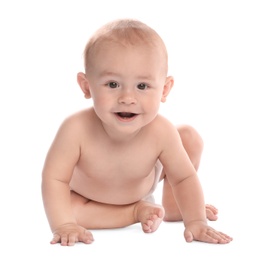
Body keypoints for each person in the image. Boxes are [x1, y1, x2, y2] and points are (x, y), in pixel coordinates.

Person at [41, 18, 233, 246]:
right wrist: (64, 225)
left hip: (143, 182)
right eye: (112, 84)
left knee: (188, 137)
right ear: (86, 86)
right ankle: (133, 212)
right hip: (88, 200)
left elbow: (183, 177)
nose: (127, 98)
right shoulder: (75, 129)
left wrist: (196, 220)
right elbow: (54, 179)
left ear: (164, 89)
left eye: (142, 86)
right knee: (67, 210)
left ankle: (174, 207)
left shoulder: (161, 131)